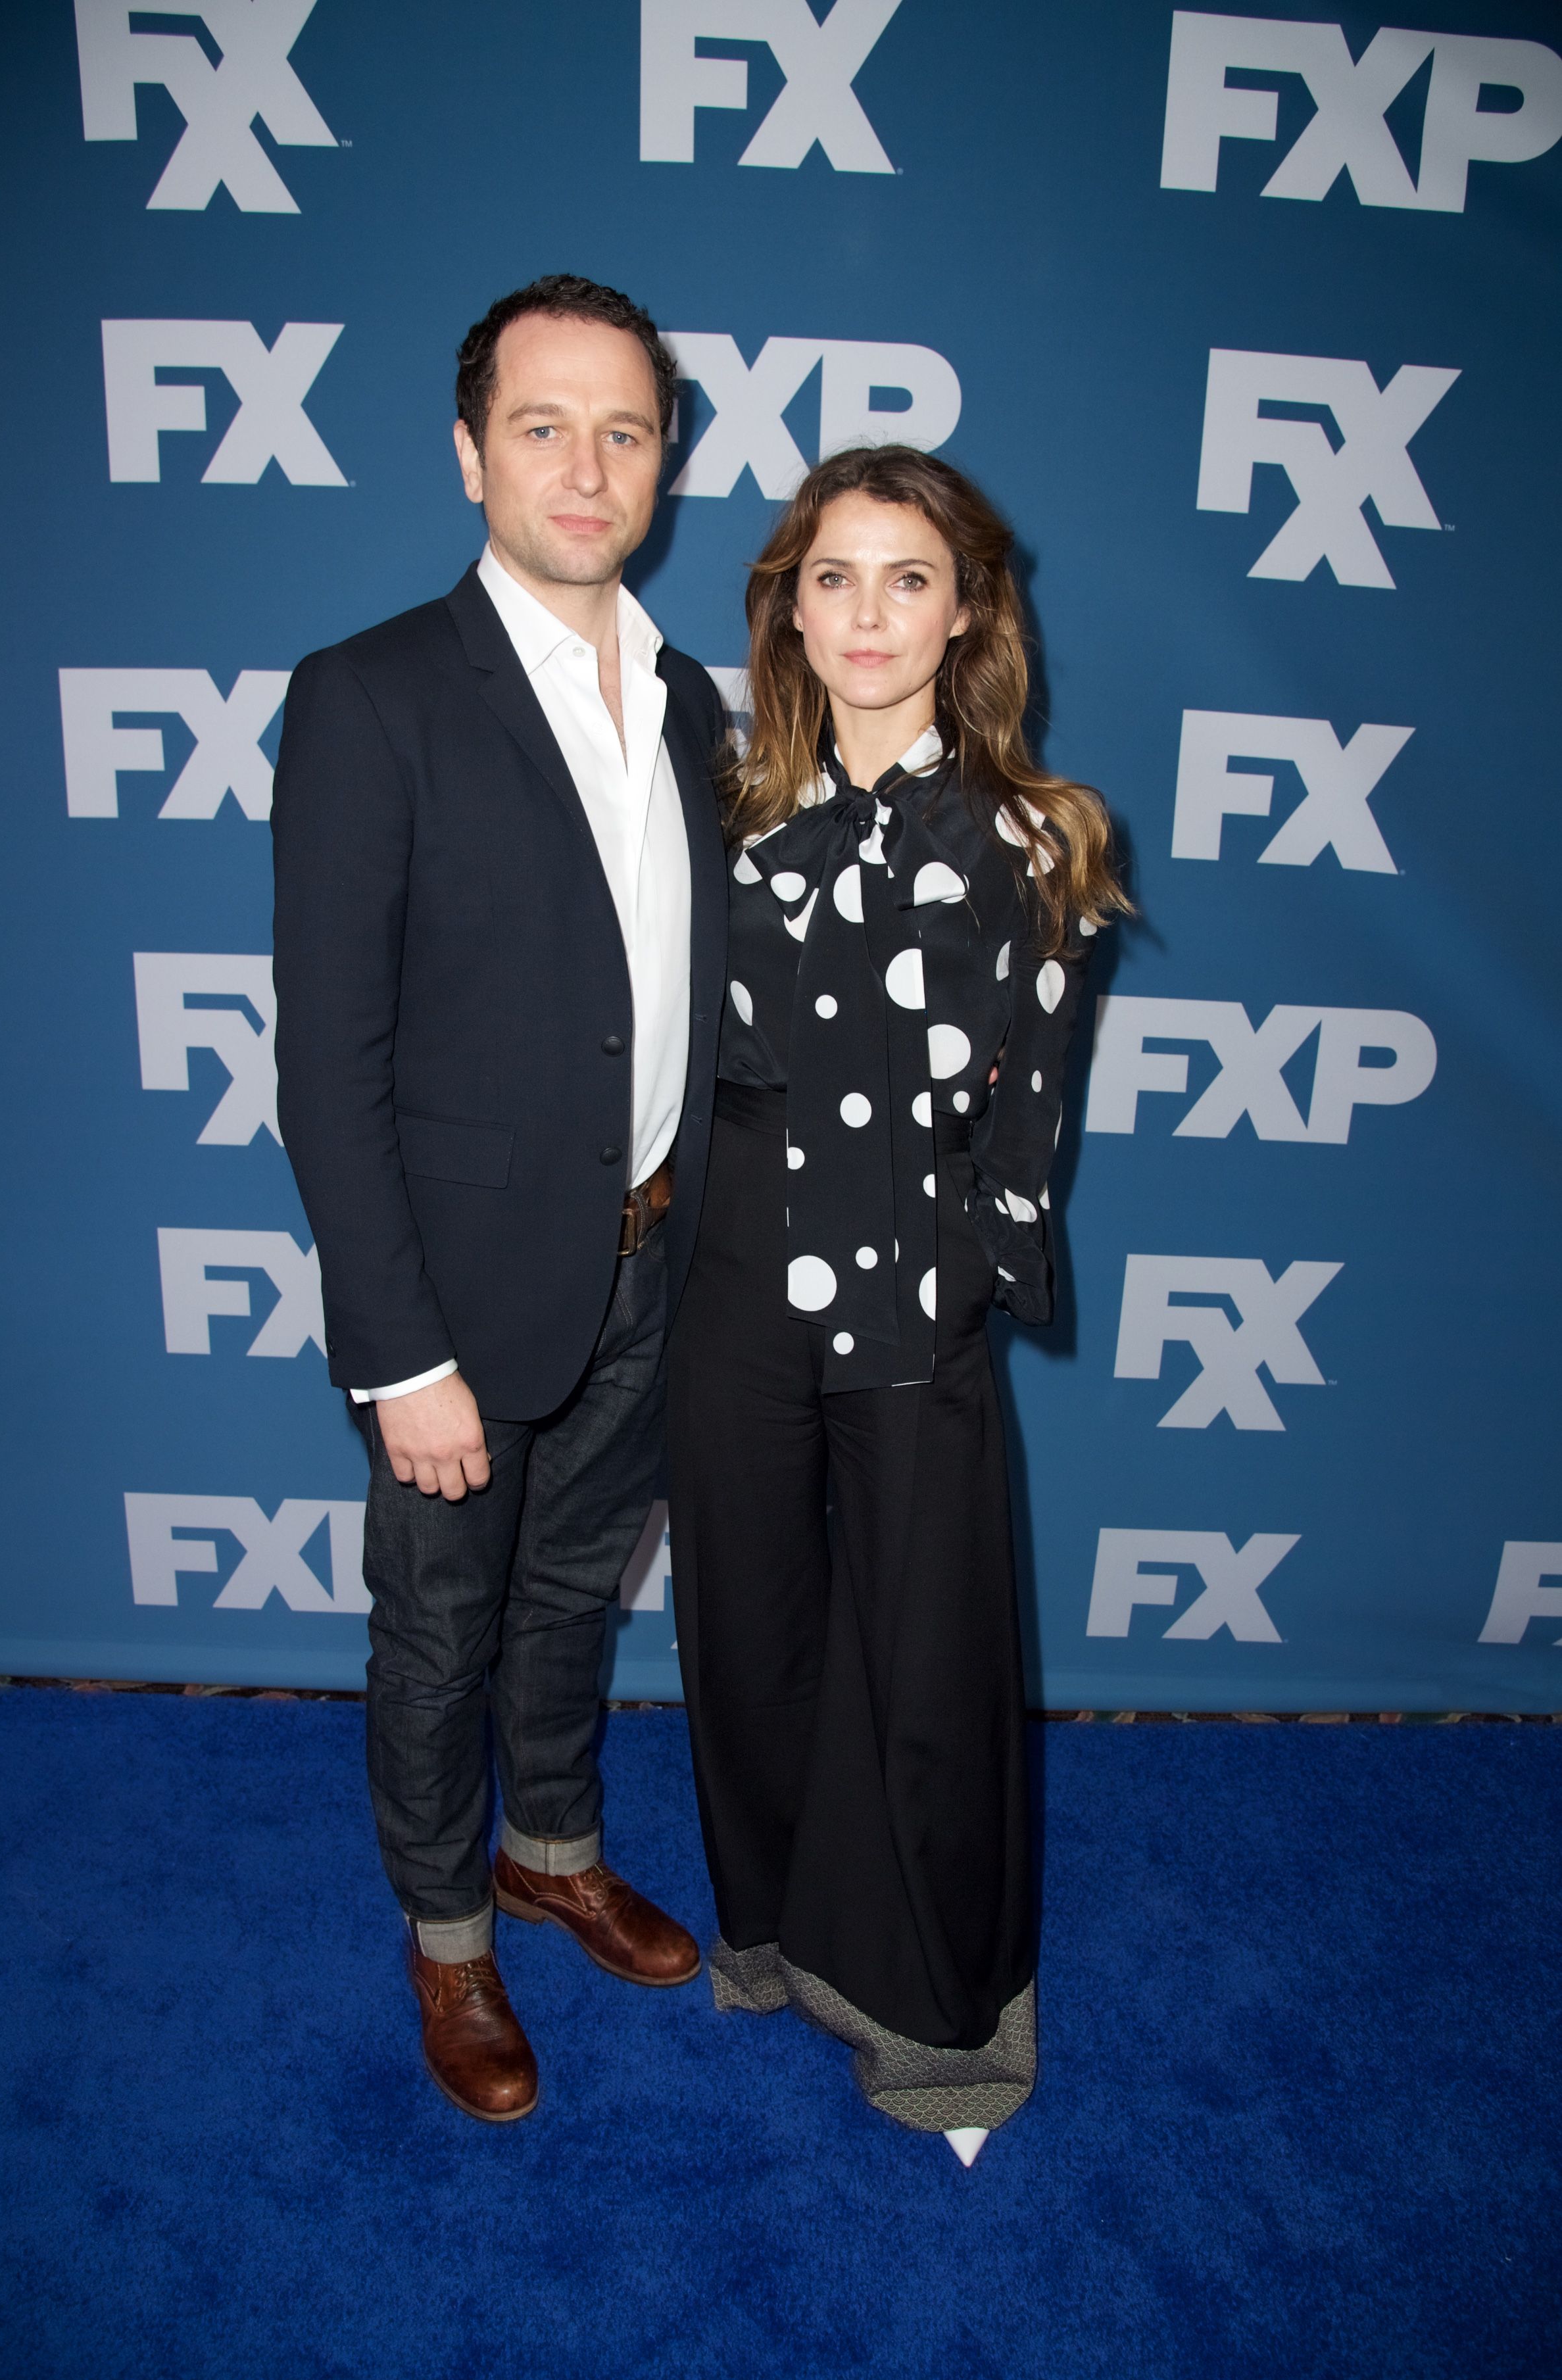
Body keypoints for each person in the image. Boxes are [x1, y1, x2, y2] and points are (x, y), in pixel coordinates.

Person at [271, 276, 727, 2124]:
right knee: (441, 1625)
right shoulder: (370, 697)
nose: (586, 463)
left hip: (652, 1259)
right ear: (470, 453)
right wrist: (397, 1353)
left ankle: (552, 1842)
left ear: (665, 460)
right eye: (543, 425)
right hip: (453, 1302)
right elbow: (329, 1064)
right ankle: (449, 1936)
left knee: (568, 1600)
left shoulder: (702, 703)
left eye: (623, 428)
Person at [666, 444, 1128, 2156]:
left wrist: (970, 1272)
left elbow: (1034, 1111)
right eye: (833, 576)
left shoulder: (1035, 832)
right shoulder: (717, 806)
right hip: (731, 1273)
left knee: (927, 1654)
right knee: (748, 1619)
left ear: (966, 613)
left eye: (908, 577)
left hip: (914, 1275)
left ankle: (943, 2027)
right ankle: (776, 1937)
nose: (868, 612)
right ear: (788, 605)